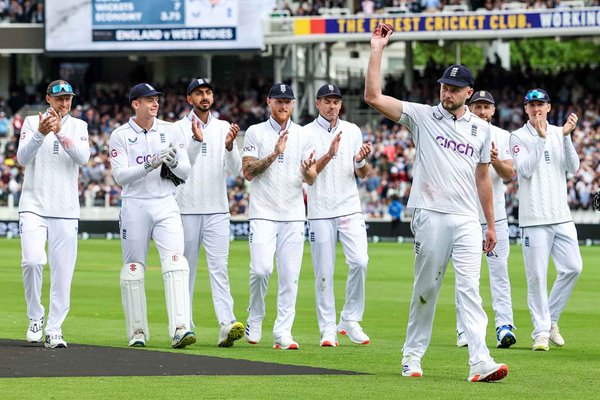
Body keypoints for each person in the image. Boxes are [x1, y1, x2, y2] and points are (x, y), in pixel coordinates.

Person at [364, 23, 508, 382]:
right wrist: (377, 48)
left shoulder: (481, 128)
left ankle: (480, 360)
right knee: (426, 289)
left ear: (468, 93)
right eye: (444, 86)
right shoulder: (422, 116)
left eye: (455, 88)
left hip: (465, 218)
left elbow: (482, 179)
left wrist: (489, 223)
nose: (447, 92)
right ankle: (411, 356)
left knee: (470, 288)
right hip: (429, 214)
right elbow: (373, 98)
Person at [109, 83, 195, 349]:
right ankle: (137, 332)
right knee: (133, 270)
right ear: (135, 104)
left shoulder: (171, 130)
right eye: (149, 100)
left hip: (165, 203)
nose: (155, 104)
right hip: (135, 206)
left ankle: (181, 328)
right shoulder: (120, 135)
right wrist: (150, 164)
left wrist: (173, 163)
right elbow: (120, 176)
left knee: (176, 263)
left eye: (156, 99)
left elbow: (186, 171)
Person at [242, 83, 317, 350]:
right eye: (279, 101)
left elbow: (311, 177)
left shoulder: (303, 135)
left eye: (288, 101)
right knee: (261, 270)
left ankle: (283, 331)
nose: (283, 105)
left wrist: (309, 171)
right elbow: (248, 172)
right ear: (269, 102)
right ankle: (256, 315)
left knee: (289, 276)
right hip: (263, 212)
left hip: (294, 213)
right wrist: (275, 153)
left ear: (293, 104)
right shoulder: (255, 131)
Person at [17, 80, 90, 348]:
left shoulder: (79, 126)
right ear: (48, 99)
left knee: (62, 273)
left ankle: (55, 328)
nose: (64, 103)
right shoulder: (30, 122)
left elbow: (83, 157)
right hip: (33, 205)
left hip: (66, 209)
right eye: (59, 98)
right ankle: (35, 316)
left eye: (68, 98)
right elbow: (22, 158)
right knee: (33, 262)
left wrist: (59, 133)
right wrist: (40, 133)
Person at [509, 88, 582, 351]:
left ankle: (550, 320)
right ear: (526, 109)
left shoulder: (558, 132)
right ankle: (541, 332)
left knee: (573, 267)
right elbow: (525, 170)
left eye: (541, 104)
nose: (536, 109)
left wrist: (566, 137)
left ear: (549, 107)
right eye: (531, 105)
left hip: (561, 216)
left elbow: (573, 168)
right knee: (537, 277)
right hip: (533, 219)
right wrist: (541, 140)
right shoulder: (517, 136)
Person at [174, 78, 245, 347]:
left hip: (217, 209)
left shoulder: (225, 127)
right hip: (185, 208)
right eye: (198, 93)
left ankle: (226, 323)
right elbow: (179, 166)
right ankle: (183, 325)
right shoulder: (178, 128)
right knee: (185, 270)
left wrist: (230, 146)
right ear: (189, 98)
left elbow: (237, 169)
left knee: (219, 269)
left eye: (208, 92)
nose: (204, 96)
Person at [303, 84, 372, 347]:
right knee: (324, 272)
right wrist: (329, 155)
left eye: (336, 102)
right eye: (327, 102)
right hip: (320, 210)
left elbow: (363, 174)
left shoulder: (352, 130)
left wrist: (361, 162)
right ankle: (327, 329)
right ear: (318, 104)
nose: (332, 107)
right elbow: (308, 177)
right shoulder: (306, 133)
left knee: (360, 262)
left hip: (349, 206)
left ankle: (350, 318)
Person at [455, 90, 516, 349]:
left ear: (493, 111)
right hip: (466, 216)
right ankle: (464, 330)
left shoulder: (502, 136)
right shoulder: (458, 131)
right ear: (470, 107)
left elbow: (509, 174)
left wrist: (495, 161)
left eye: (486, 107)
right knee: (467, 277)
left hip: (496, 218)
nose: (481, 111)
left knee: (499, 273)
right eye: (477, 106)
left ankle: (504, 327)